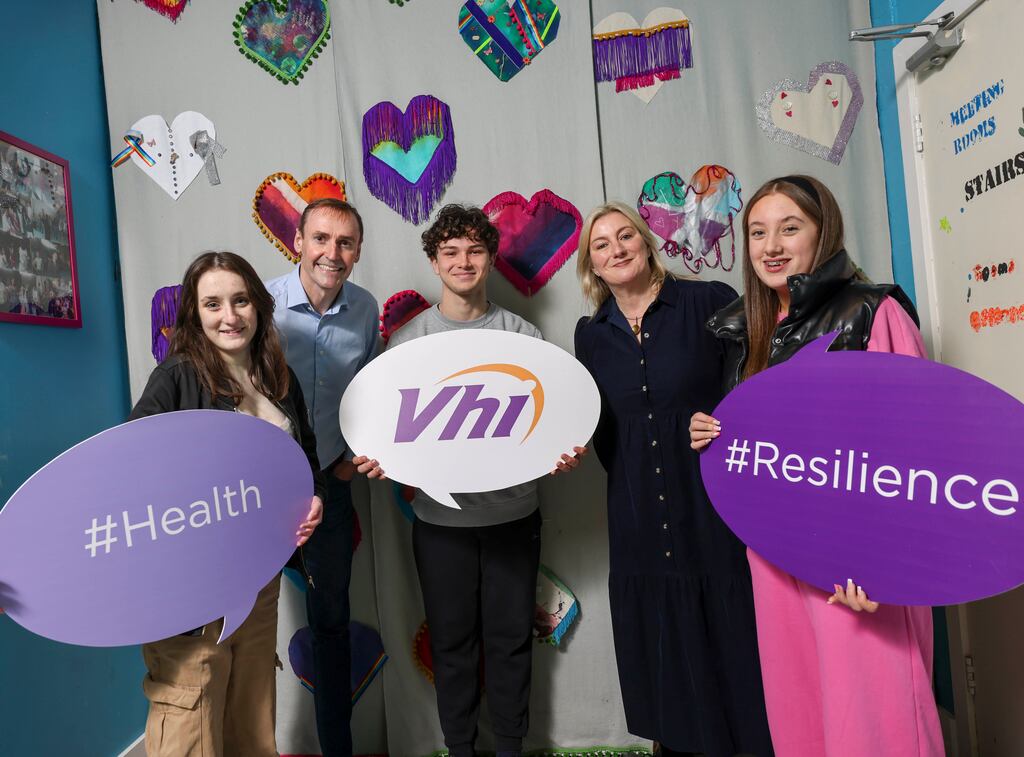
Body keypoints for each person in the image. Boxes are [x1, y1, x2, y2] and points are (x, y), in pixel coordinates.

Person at [690, 175, 944, 757]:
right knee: (802, 720)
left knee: (878, 725)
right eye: (757, 232)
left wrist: (885, 570)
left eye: (789, 228)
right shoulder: (746, 330)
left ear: (822, 232)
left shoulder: (872, 311)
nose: (770, 245)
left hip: (855, 561)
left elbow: (920, 451)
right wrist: (712, 435)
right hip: (775, 556)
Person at [355, 204, 584, 757]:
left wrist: (563, 452)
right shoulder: (407, 343)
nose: (463, 261)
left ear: (490, 259)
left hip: (513, 518)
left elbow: (551, 421)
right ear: (434, 261)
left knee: (509, 642)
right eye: (451, 251)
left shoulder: (522, 334)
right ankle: (460, 749)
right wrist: (378, 457)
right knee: (452, 644)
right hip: (440, 524)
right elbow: (387, 429)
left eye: (475, 250)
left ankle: (509, 748)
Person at [573, 202, 773, 757]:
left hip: (711, 494)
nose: (616, 249)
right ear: (591, 264)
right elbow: (600, 429)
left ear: (646, 240)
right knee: (661, 631)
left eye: (625, 236)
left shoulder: (706, 300)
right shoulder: (591, 335)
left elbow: (753, 383)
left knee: (731, 620)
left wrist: (724, 426)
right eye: (601, 244)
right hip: (635, 502)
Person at [129, 251, 325, 756]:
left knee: (252, 722)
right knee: (190, 723)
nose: (229, 315)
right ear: (195, 315)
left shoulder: (278, 378)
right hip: (192, 592)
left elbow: (306, 459)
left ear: (258, 306)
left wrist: (313, 502)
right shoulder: (176, 377)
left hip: (260, 585)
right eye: (212, 304)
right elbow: (126, 477)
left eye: (240, 301)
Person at [265, 197, 379, 757]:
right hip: (261, 492)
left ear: (357, 253)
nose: (332, 253)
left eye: (345, 242)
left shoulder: (365, 309)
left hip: (330, 491)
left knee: (332, 625)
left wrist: (346, 461)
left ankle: (339, 750)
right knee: (245, 623)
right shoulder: (257, 302)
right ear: (298, 243)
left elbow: (371, 393)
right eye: (321, 239)